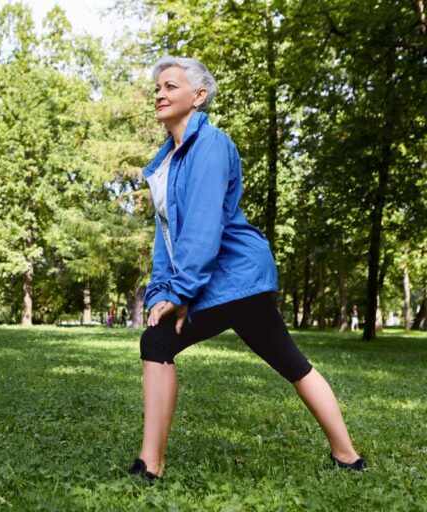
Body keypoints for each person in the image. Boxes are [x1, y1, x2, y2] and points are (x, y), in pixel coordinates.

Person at [128, 57, 366, 482]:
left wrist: (181, 293)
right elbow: (165, 236)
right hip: (230, 281)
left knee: (158, 342)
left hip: (235, 276)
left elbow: (202, 228)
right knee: (292, 363)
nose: (160, 95)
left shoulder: (211, 145)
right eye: (157, 89)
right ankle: (347, 457)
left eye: (170, 86)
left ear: (198, 96)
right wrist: (161, 290)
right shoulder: (170, 161)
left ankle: (151, 466)